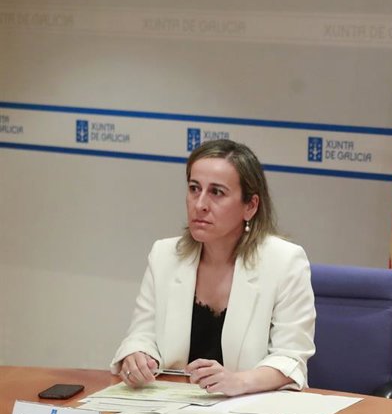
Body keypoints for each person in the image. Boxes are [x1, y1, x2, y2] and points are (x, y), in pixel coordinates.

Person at [111, 139, 316, 396]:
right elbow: (141, 335)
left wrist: (239, 381)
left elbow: (291, 359)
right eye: (194, 189)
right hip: (172, 405)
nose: (200, 204)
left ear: (250, 206)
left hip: (251, 405)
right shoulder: (164, 255)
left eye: (217, 192)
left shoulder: (284, 261)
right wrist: (138, 356)